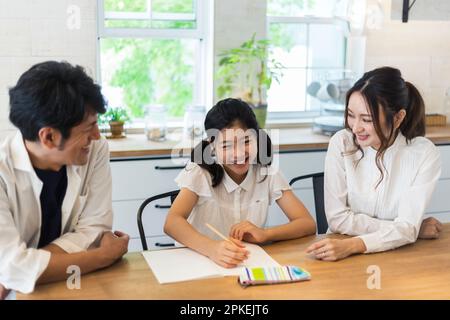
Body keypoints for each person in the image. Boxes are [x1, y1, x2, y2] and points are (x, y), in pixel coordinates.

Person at [0, 61, 129, 298]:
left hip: (68, 285)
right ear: (48, 137)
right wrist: (102, 256)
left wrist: (27, 266)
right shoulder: (2, 172)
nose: (97, 135)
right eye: (89, 127)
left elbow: (95, 228)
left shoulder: (95, 149)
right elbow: (12, 269)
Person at [306, 66, 442, 261]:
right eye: (351, 115)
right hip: (338, 251)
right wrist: (408, 229)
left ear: (397, 118)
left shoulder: (424, 153)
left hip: (389, 256)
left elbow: (406, 229)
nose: (355, 127)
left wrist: (356, 244)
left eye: (366, 119)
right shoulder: (342, 142)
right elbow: (337, 220)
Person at [165, 98, 316, 268]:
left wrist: (265, 234)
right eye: (226, 146)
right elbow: (172, 223)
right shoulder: (200, 171)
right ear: (212, 147)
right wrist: (212, 249)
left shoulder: (266, 171)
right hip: (200, 263)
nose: (238, 154)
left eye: (246, 142)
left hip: (245, 265)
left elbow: (307, 223)